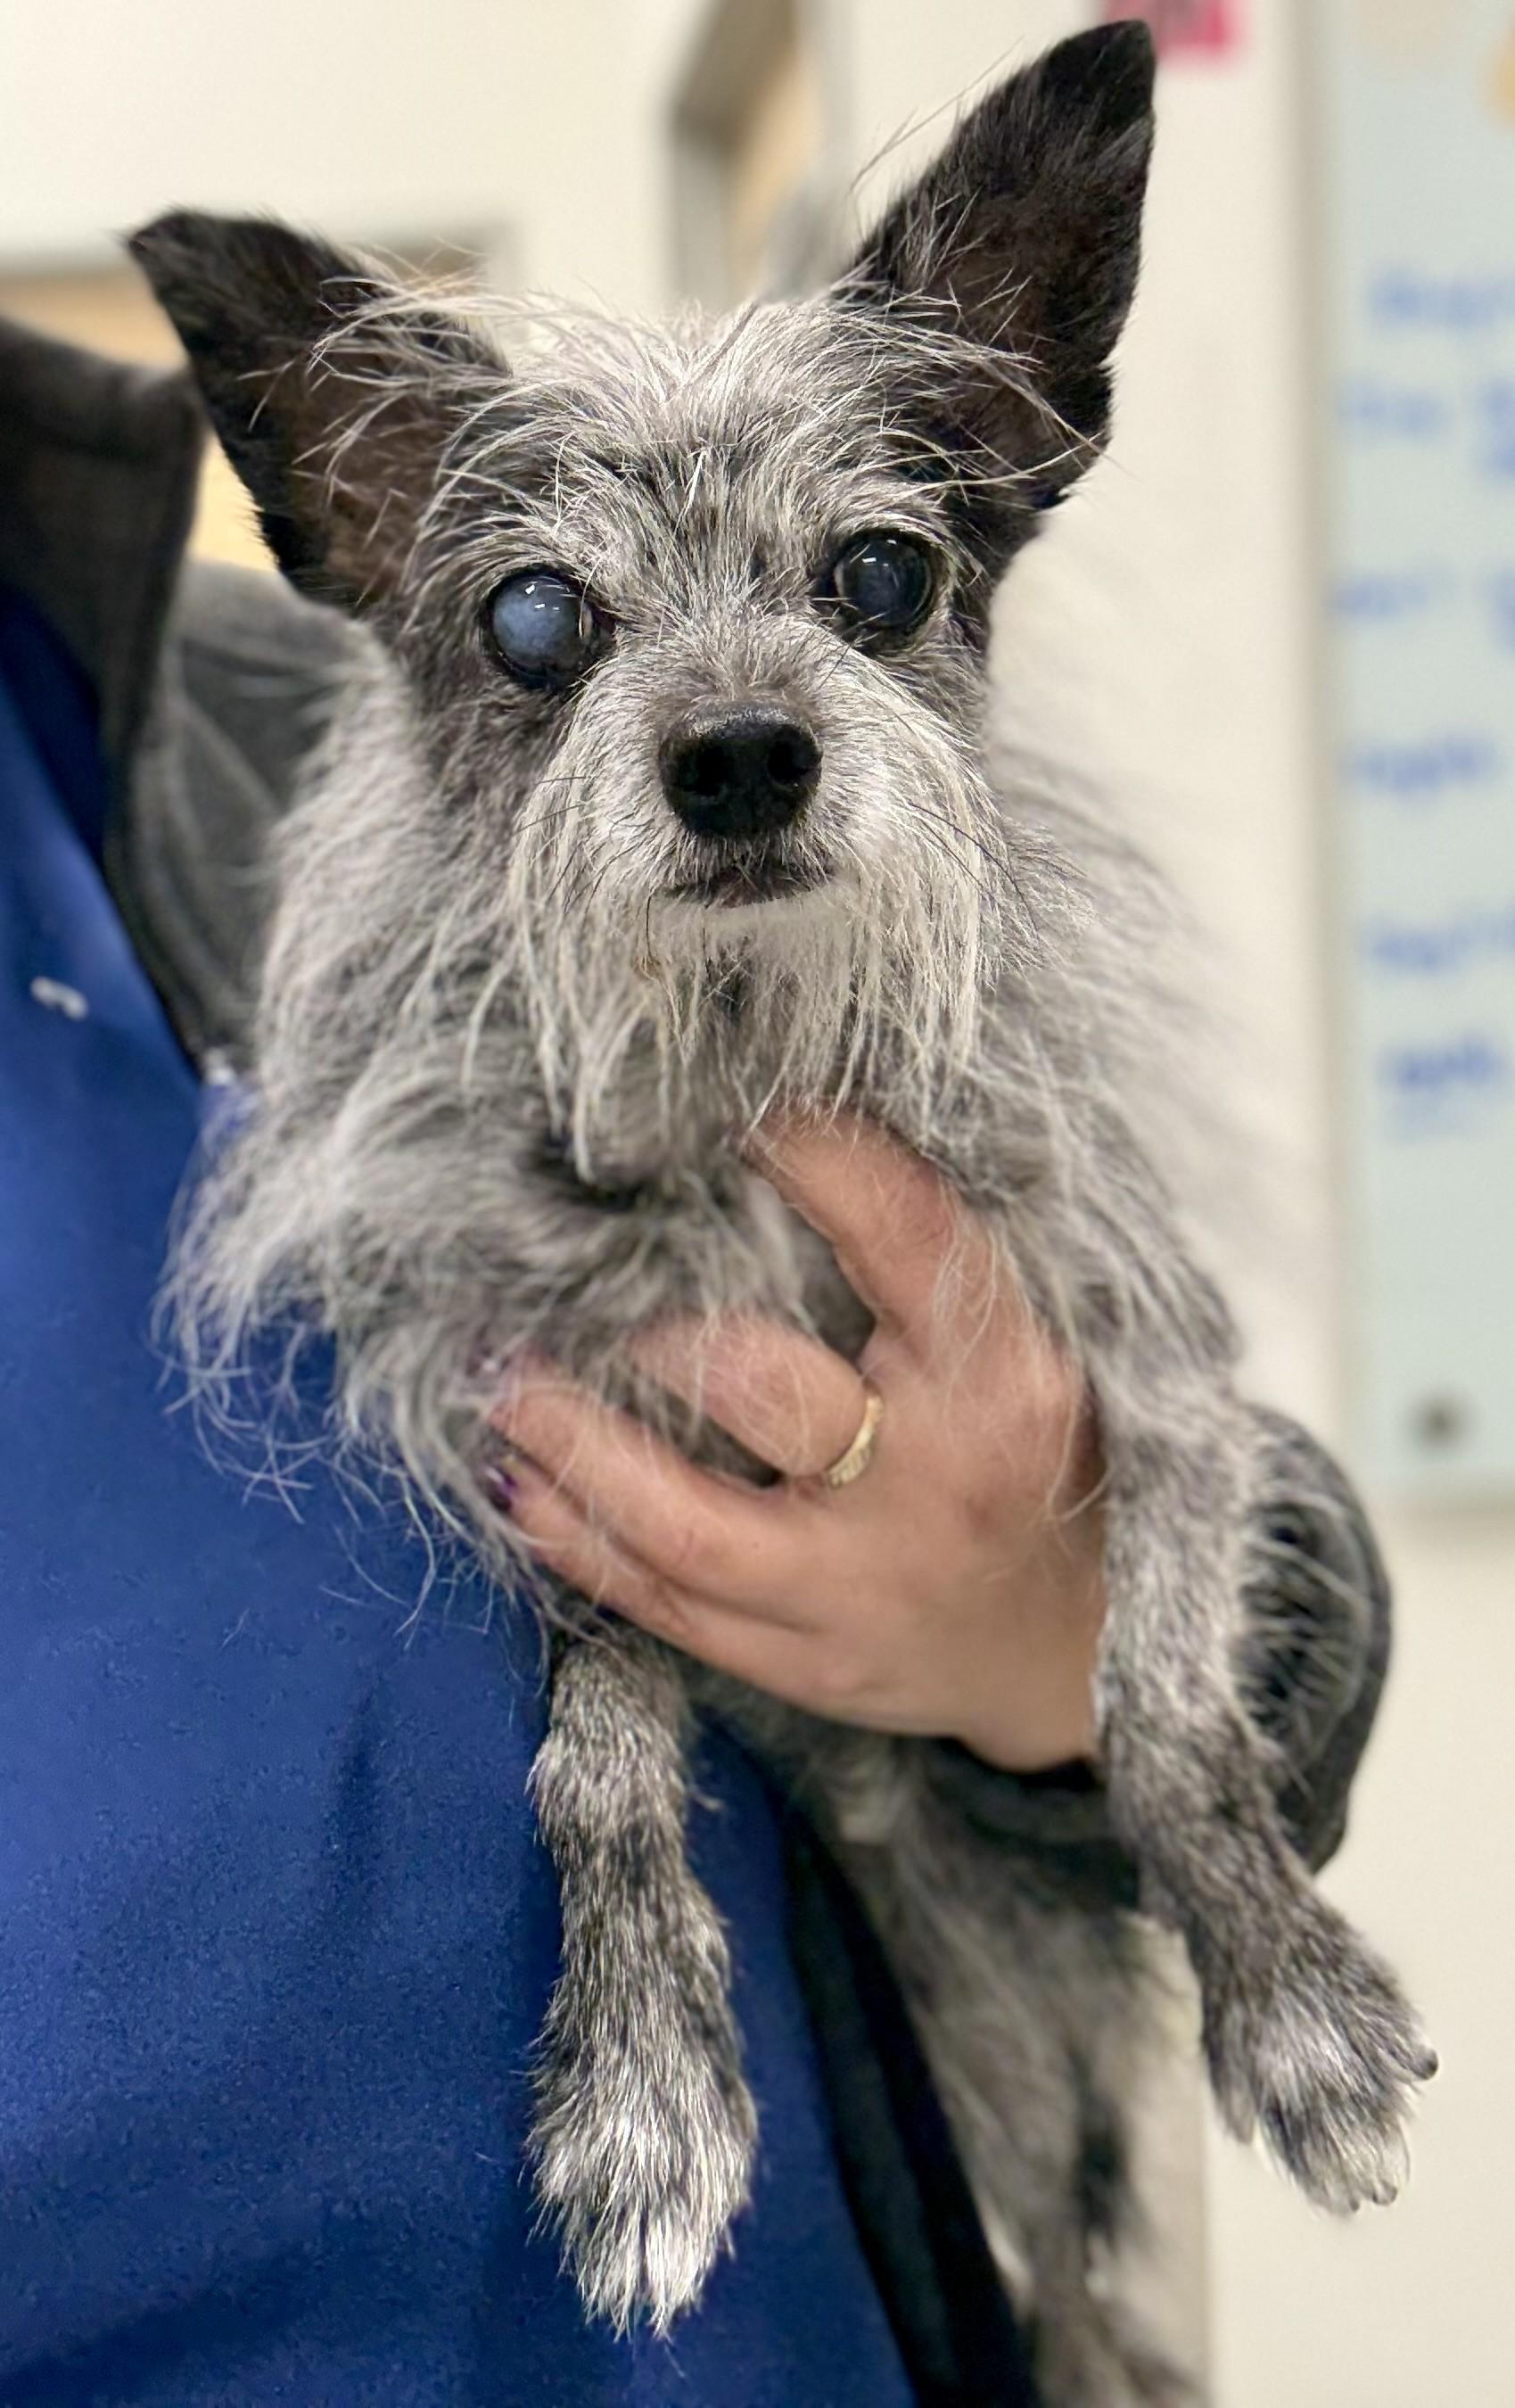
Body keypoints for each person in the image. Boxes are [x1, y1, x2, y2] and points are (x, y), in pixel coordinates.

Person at [0, 315, 1391, 2407]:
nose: (732, 712)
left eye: (864, 587)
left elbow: (1252, 1556)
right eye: (554, 622)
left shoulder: (237, 725)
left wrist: (1058, 1630)